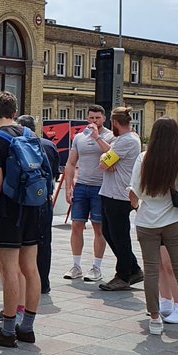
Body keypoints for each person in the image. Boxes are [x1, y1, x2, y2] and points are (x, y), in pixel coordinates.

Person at [129, 117, 178, 338]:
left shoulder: (144, 158)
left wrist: (139, 209)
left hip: (146, 221)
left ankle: (155, 319)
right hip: (174, 220)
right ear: (177, 134)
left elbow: (133, 193)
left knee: (151, 271)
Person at [0, 91, 43, 348]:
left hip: (9, 210)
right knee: (30, 268)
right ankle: (27, 327)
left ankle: (7, 330)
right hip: (32, 206)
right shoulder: (31, 135)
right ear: (16, 113)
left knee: (9, 271)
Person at [95, 107, 144, 292]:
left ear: (114, 123)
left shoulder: (128, 141)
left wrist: (107, 161)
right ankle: (133, 268)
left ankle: (123, 274)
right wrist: (106, 159)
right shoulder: (121, 140)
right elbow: (106, 158)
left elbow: (103, 164)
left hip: (119, 194)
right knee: (109, 232)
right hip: (110, 192)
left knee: (119, 235)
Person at [62, 106, 113, 282]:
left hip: (101, 187)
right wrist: (69, 187)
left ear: (104, 119)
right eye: (91, 118)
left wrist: (97, 137)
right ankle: (76, 265)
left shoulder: (110, 136)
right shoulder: (79, 137)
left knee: (99, 227)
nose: (93, 121)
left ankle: (96, 267)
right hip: (82, 185)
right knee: (77, 225)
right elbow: (70, 163)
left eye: (97, 118)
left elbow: (112, 156)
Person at [18, 115, 61, 295]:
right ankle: (43, 282)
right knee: (44, 241)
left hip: (24, 201)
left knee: (24, 244)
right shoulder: (49, 145)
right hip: (44, 199)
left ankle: (26, 283)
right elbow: (55, 175)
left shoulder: (19, 145)